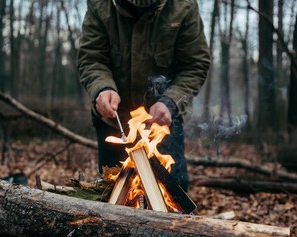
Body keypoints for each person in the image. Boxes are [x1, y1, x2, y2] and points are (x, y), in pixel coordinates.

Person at [78, 0, 210, 191]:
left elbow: (194, 65)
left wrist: (170, 101)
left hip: (164, 121)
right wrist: (102, 88)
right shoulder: (100, 5)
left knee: (172, 194)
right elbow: (91, 58)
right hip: (114, 121)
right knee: (112, 193)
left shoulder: (184, 6)